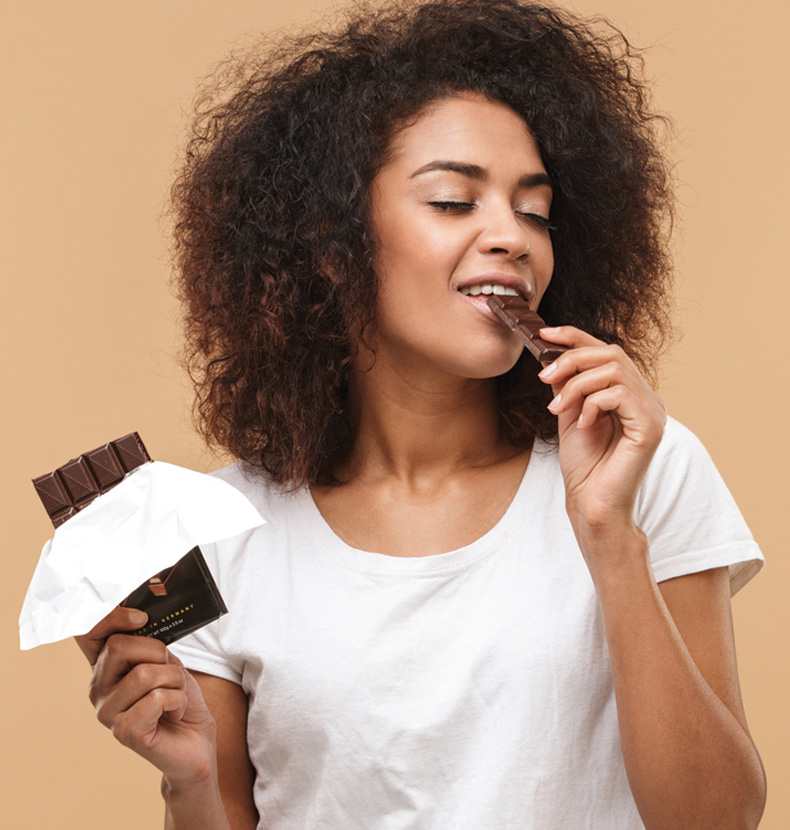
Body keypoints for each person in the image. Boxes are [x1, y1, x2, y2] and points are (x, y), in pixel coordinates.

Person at [74, 1, 767, 827]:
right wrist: (186, 779)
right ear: (332, 244)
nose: (513, 236)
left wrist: (609, 537)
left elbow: (719, 820)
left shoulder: (642, 466)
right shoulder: (223, 534)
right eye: (452, 201)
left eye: (535, 210)